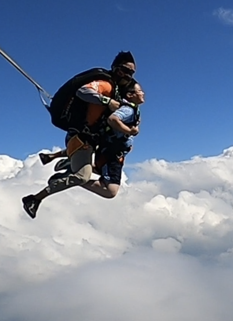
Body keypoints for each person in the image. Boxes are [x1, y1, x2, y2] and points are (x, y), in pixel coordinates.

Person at [23, 80, 144, 218]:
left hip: (110, 151)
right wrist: (129, 131)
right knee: (110, 190)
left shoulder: (130, 109)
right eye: (140, 91)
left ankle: (68, 163)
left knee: (100, 173)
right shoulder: (128, 109)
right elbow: (113, 119)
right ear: (130, 94)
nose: (143, 93)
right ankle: (40, 195)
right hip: (112, 154)